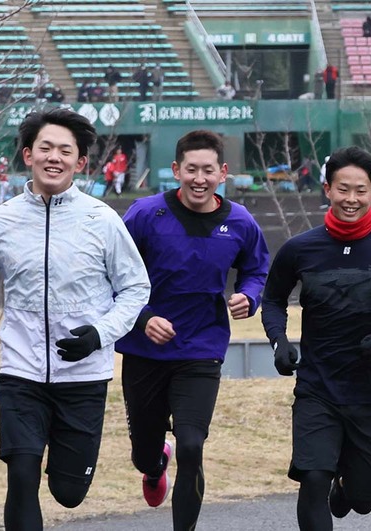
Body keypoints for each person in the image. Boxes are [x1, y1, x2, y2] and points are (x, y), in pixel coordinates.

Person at [0, 107, 150, 531]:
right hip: (21, 371)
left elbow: (135, 289)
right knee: (21, 475)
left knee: (68, 493)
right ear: (28, 155)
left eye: (65, 151)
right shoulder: (2, 220)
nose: (54, 157)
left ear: (80, 162)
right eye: (46, 148)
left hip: (83, 376)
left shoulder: (102, 220)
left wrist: (99, 335)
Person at [114, 130, 270, 530]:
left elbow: (256, 270)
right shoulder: (145, 214)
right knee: (143, 455)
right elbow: (112, 273)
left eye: (208, 170)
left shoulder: (240, 221)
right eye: (191, 170)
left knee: (192, 445)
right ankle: (154, 465)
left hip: (201, 347)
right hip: (144, 350)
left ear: (223, 172)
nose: (199, 179)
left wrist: (249, 296)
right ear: (176, 170)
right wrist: (144, 318)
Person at [261, 146, 371, 530]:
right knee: (313, 478)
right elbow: (273, 299)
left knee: (362, 500)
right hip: (318, 389)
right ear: (327, 189)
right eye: (343, 189)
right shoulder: (300, 249)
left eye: (360, 190)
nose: (351, 199)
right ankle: (326, 477)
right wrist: (279, 342)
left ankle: (344, 487)